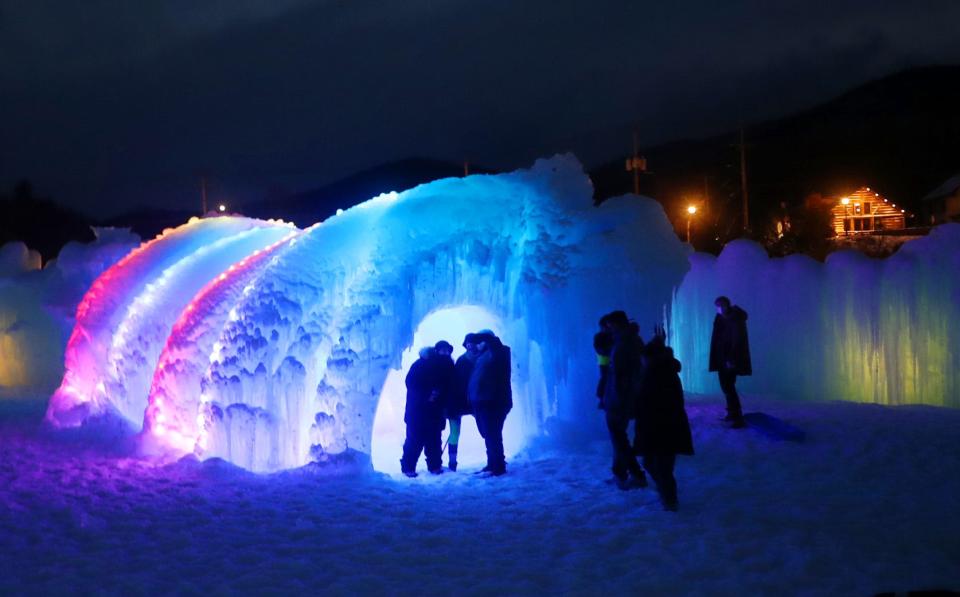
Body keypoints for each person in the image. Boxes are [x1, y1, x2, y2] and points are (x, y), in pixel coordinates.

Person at [635, 325, 694, 511]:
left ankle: (670, 500)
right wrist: (658, 339)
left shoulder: (658, 375)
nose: (642, 361)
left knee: (661, 466)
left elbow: (653, 401)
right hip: (662, 426)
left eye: (644, 358)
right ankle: (667, 495)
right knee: (654, 464)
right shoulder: (661, 369)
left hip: (662, 426)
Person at [600, 310, 648, 491]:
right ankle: (620, 474)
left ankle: (636, 474)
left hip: (619, 400)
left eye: (610, 326)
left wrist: (618, 400)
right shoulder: (628, 340)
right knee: (618, 437)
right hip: (620, 398)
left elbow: (623, 376)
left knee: (619, 438)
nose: (609, 330)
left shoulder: (626, 343)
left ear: (618, 324)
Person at [468, 330, 512, 476]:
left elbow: (494, 345)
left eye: (480, 342)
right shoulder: (483, 357)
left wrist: (483, 337)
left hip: (494, 401)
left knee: (493, 434)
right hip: (483, 401)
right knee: (489, 434)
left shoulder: (498, 353)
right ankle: (493, 463)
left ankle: (498, 466)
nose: (477, 345)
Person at [400, 346, 447, 477]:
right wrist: (429, 395)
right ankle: (416, 467)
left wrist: (434, 394)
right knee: (420, 440)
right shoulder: (419, 366)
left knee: (429, 440)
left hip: (425, 412)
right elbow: (412, 385)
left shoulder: (431, 367)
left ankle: (429, 466)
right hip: (419, 412)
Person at [709, 296, 752, 428]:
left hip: (729, 360)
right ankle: (732, 413)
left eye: (718, 306)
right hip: (722, 358)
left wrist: (731, 359)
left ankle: (737, 416)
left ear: (725, 306)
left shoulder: (734, 319)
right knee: (726, 386)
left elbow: (737, 341)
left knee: (729, 386)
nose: (717, 309)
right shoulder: (723, 319)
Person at [447, 334, 479, 471]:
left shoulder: (481, 359)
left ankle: (494, 458)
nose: (470, 345)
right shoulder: (462, 361)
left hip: (475, 400)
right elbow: (455, 382)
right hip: (460, 401)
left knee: (487, 429)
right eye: (468, 342)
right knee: (454, 432)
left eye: (472, 342)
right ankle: (452, 463)